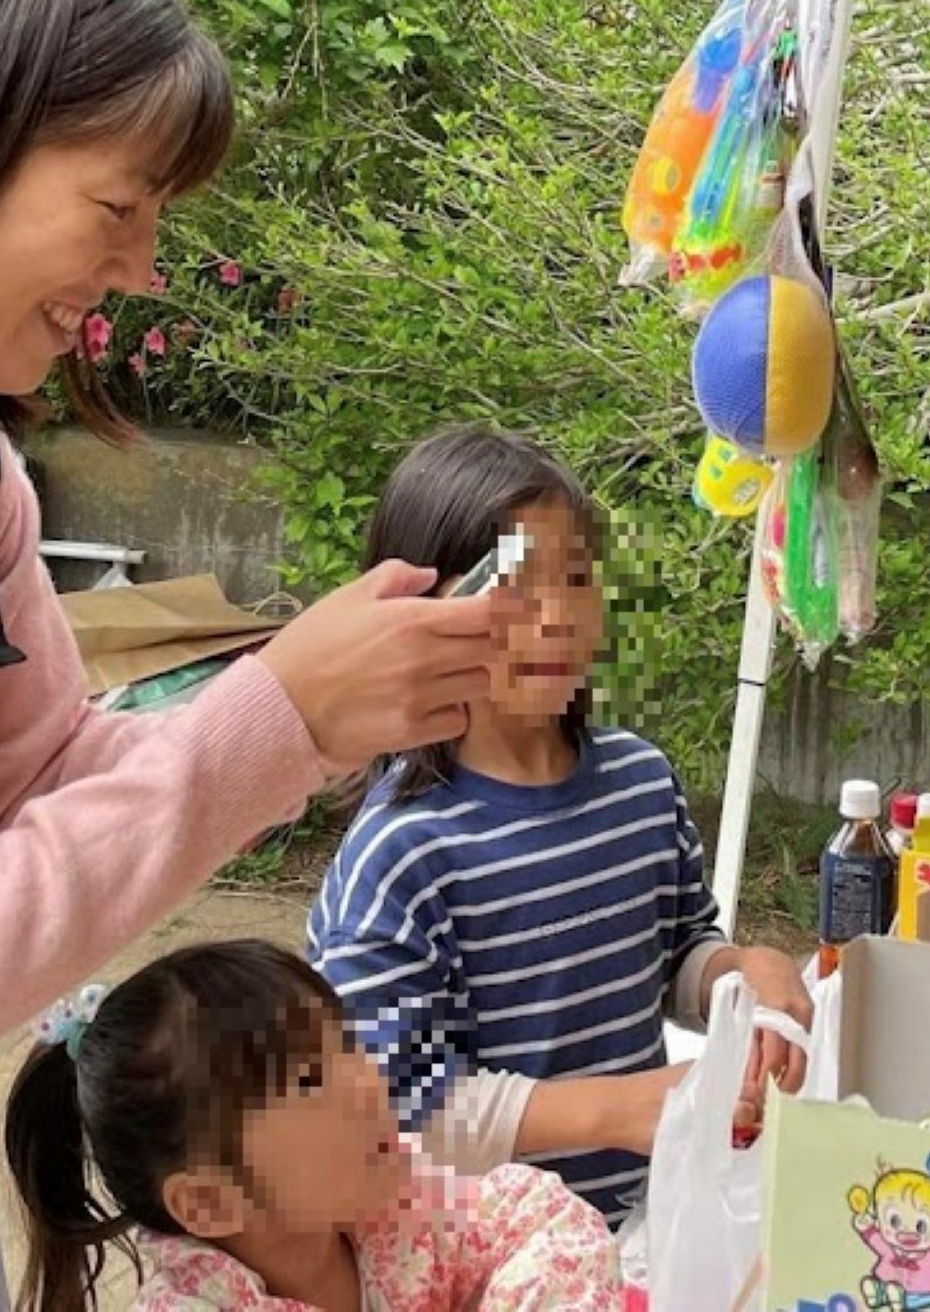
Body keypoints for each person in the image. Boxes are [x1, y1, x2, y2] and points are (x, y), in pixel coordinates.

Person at [0, 0, 502, 1305]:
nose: (140, 271)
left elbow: (53, 774)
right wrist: (277, 718)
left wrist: (316, 702)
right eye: (119, 207)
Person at [308, 427, 813, 1228]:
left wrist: (742, 969)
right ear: (415, 613)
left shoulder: (641, 780)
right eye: (511, 585)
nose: (552, 616)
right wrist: (616, 1111)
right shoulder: (400, 854)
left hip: (654, 1223)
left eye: (574, 578)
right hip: (487, 1261)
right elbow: (406, 1108)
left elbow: (678, 947)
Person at [4, 940, 631, 1311]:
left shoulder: (393, 1213)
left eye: (348, 1044)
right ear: (209, 1200)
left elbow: (545, 1223)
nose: (365, 1082)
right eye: (310, 1080)